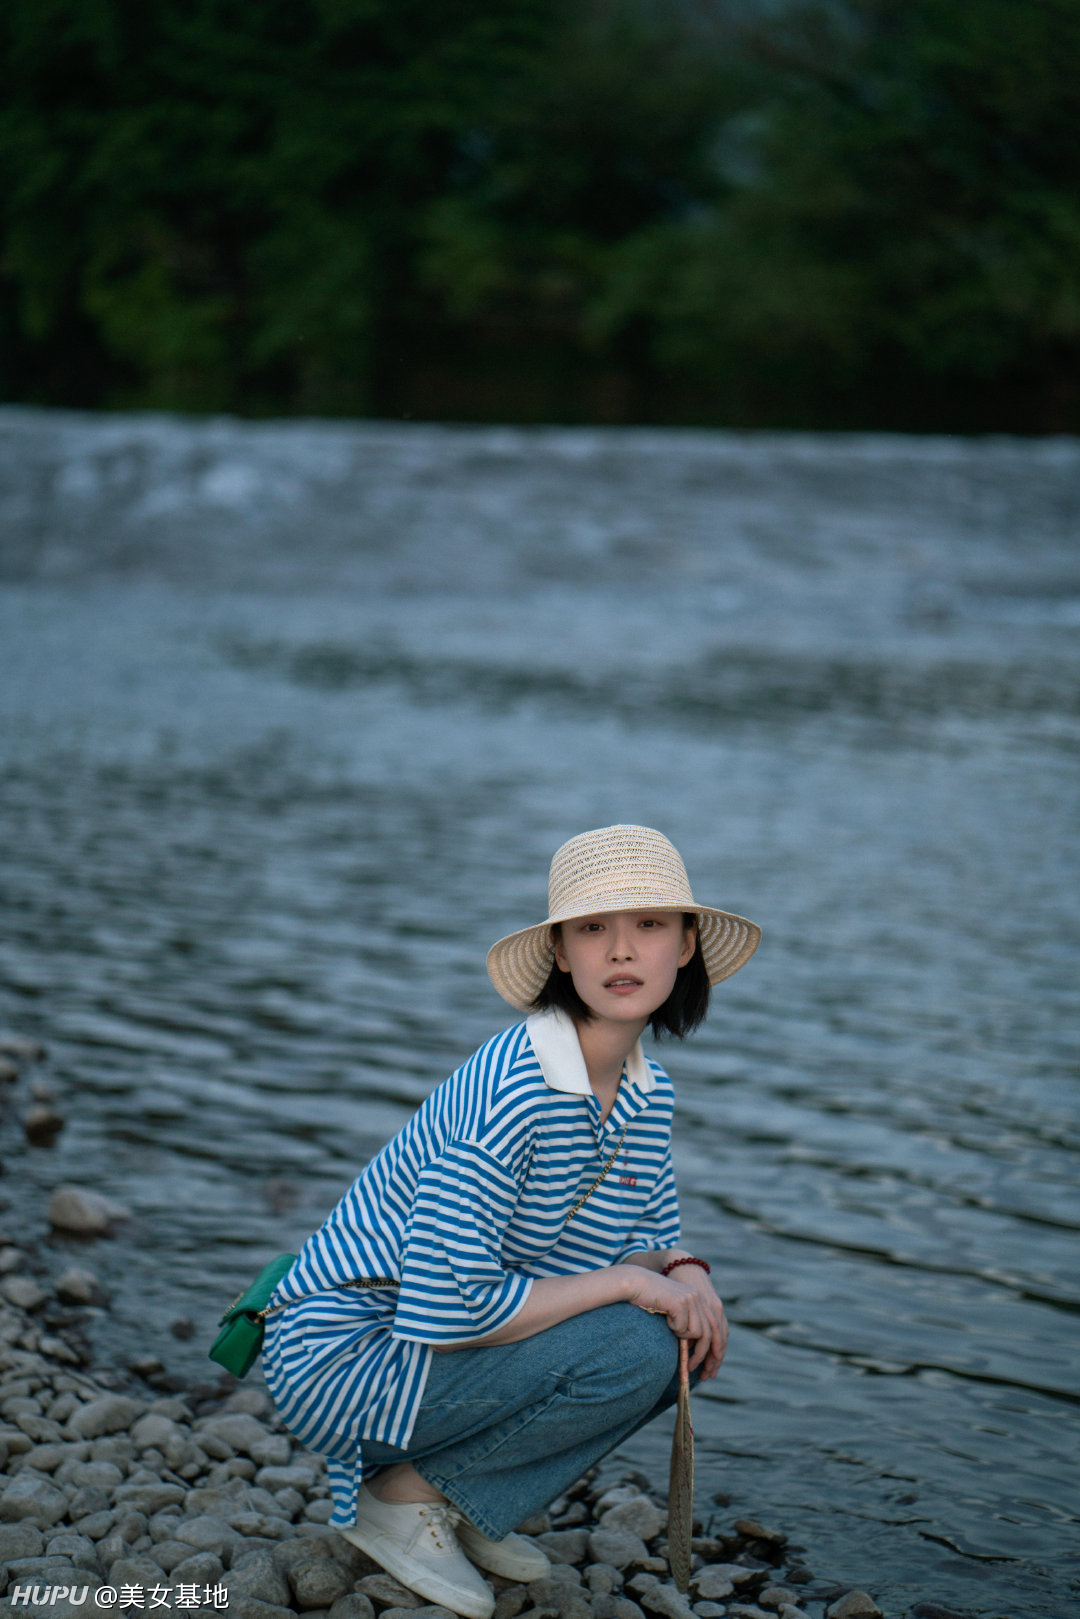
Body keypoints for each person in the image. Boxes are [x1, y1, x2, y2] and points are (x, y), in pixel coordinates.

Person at [262, 824, 761, 1619]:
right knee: (641, 1340)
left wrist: (685, 1268)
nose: (622, 951)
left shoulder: (645, 1088)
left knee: (683, 1327)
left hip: (422, 1353)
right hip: (344, 1352)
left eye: (649, 925)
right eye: (594, 928)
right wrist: (629, 1281)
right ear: (562, 952)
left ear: (687, 944)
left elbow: (654, 1220)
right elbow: (454, 1309)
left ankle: (460, 1497)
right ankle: (407, 1495)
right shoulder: (516, 1090)